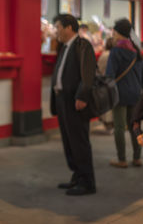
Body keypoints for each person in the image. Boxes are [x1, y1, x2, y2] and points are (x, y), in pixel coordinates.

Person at [50, 14, 97, 196]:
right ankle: (77, 176)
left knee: (79, 141)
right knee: (69, 141)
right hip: (63, 101)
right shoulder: (65, 47)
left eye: (58, 27)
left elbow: (87, 74)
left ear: (69, 27)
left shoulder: (82, 45)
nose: (57, 31)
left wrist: (82, 97)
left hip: (76, 102)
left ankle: (87, 182)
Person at [106, 18, 143, 168]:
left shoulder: (116, 52)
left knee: (120, 127)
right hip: (136, 94)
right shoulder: (137, 52)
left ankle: (122, 159)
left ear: (118, 32)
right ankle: (137, 158)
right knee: (135, 125)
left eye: (114, 31)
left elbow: (110, 75)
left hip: (119, 94)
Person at [97, 38, 114, 130]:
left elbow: (99, 69)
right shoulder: (115, 55)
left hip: (104, 83)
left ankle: (108, 124)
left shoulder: (104, 55)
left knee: (106, 105)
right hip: (113, 83)